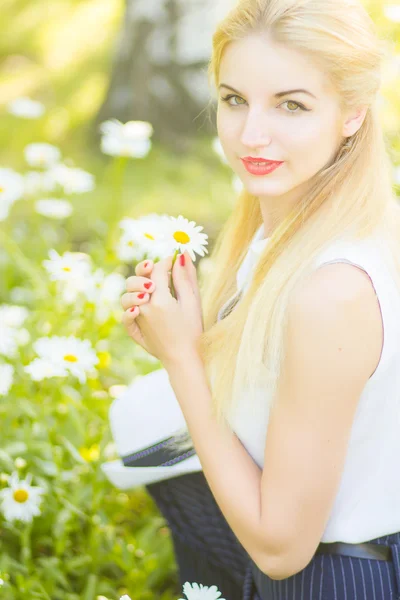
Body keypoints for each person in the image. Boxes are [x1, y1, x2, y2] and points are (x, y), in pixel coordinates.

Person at [120, 0, 400, 597]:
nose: (251, 135)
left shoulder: (332, 287)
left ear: (353, 113)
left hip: (336, 577)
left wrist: (184, 360)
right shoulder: (289, 230)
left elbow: (281, 548)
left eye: (291, 105)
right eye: (234, 99)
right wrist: (186, 339)